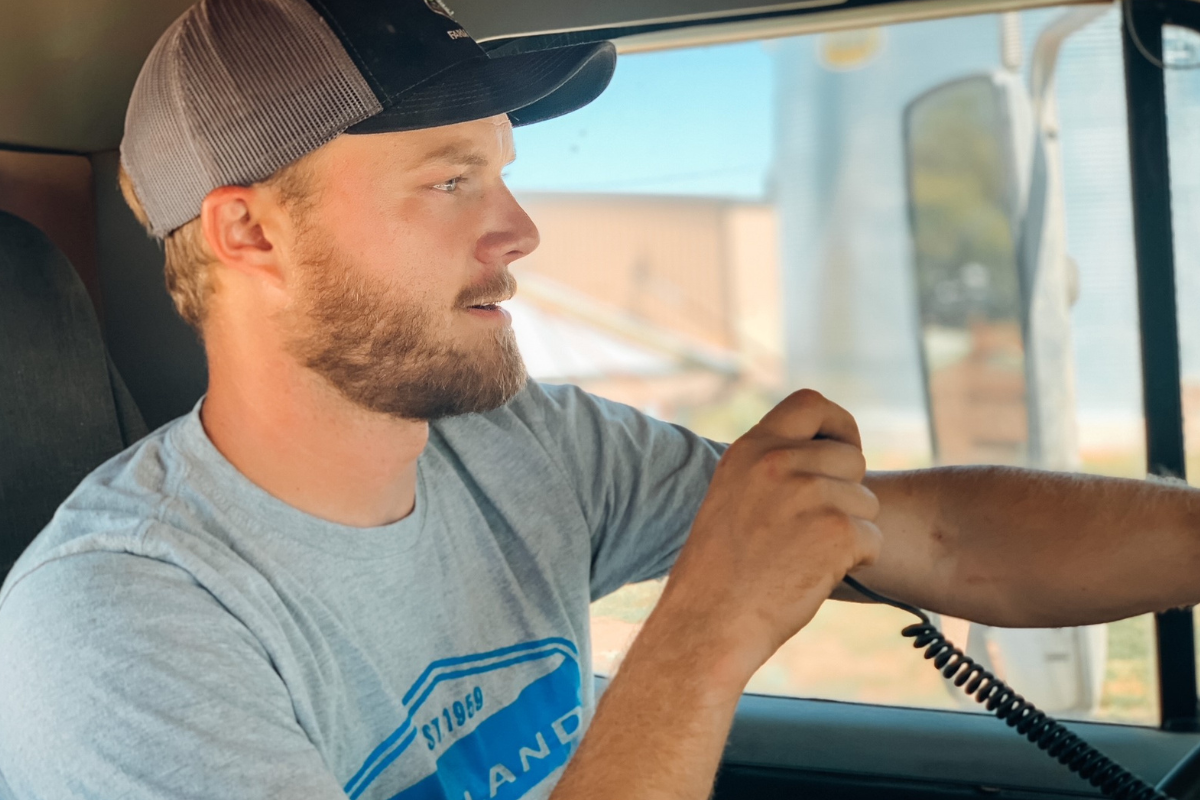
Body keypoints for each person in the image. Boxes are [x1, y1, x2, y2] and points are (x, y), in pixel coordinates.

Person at [0, 0, 1198, 798]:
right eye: (451, 179)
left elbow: (925, 534)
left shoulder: (523, 444)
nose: (518, 229)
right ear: (250, 230)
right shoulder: (113, 623)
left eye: (504, 173)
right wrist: (711, 622)